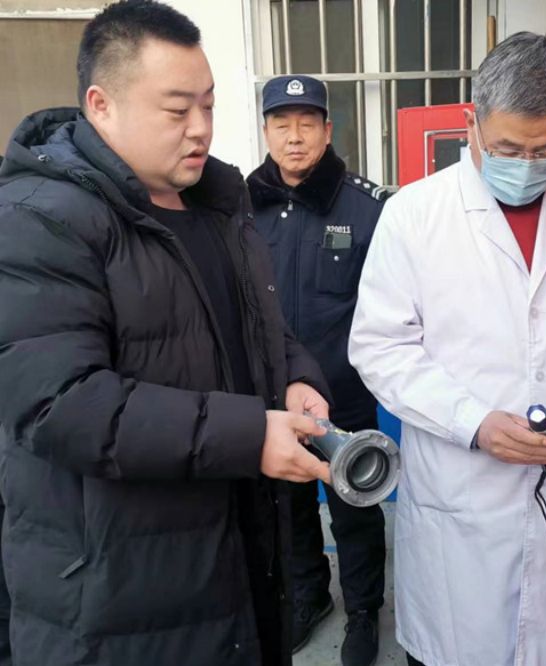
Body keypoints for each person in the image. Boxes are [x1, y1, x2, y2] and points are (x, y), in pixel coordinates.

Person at [0, 2, 333, 665]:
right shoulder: (39, 219)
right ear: (101, 105)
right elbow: (61, 403)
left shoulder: (218, 202)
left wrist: (295, 373)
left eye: (208, 106)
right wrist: (249, 435)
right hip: (121, 597)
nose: (200, 128)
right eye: (177, 110)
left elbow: (256, 325)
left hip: (240, 552)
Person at [349, 32, 546, 666]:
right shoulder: (415, 214)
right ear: (472, 123)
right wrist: (473, 423)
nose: (527, 165)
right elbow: (381, 347)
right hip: (461, 501)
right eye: (509, 149)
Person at [247, 74, 386, 666]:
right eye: (282, 124)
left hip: (344, 395)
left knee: (356, 507)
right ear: (266, 131)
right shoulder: (241, 208)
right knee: (290, 505)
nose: (295, 137)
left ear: (328, 131)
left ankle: (363, 611)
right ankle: (309, 594)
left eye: (307, 124)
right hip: (273, 396)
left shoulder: (367, 209)